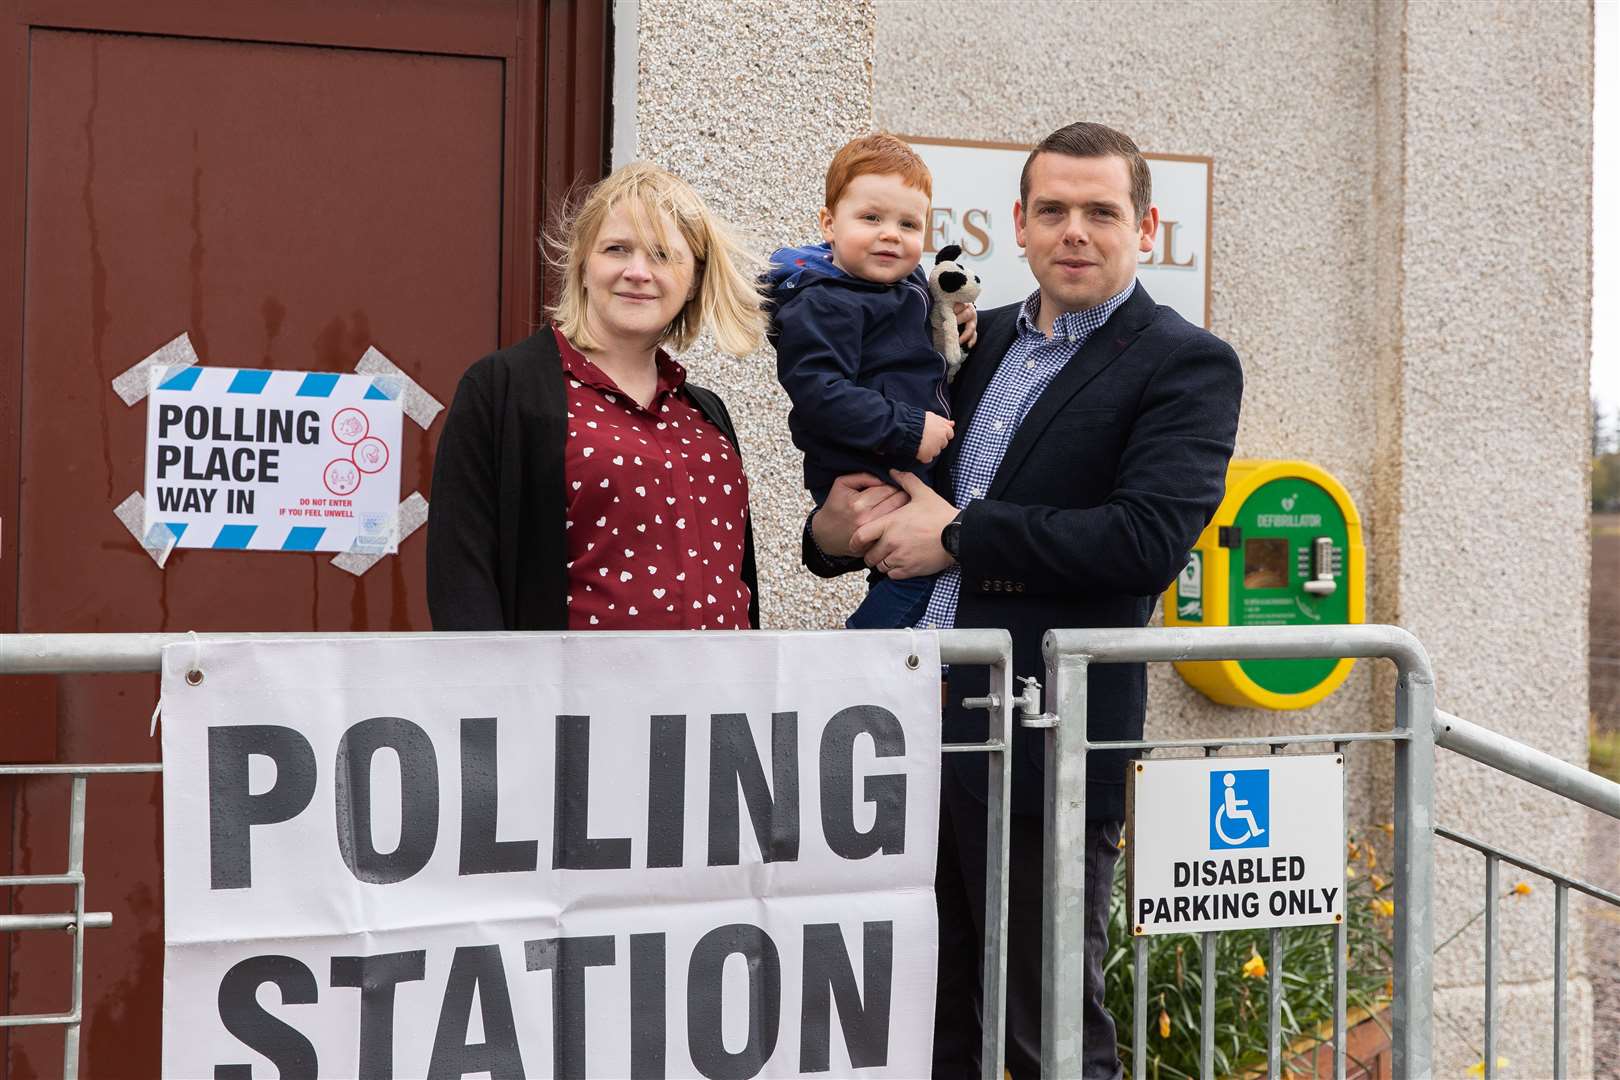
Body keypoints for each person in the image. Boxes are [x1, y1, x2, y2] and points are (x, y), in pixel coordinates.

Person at [805, 122, 1244, 1078]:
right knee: (920, 1019)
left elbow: (1141, 543)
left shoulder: (1185, 364)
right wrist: (832, 532)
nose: (1074, 231)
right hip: (906, 727)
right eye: (1053, 210)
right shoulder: (976, 335)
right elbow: (886, 492)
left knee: (1044, 1029)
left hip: (1046, 742)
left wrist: (961, 533)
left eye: (1101, 211)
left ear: (1145, 226)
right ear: (1019, 222)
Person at [427, 161, 769, 631]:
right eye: (616, 249)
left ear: (693, 282)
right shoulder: (501, 390)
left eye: (663, 256)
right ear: (583, 265)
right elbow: (460, 577)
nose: (637, 271)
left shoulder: (706, 413)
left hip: (718, 699)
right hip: (573, 701)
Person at [768, 133, 974, 629]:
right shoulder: (825, 301)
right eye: (871, 218)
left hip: (894, 459)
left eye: (908, 224)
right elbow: (820, 393)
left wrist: (958, 319)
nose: (890, 235)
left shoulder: (902, 290)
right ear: (828, 224)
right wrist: (908, 429)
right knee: (914, 568)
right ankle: (866, 644)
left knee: (905, 566)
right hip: (866, 463)